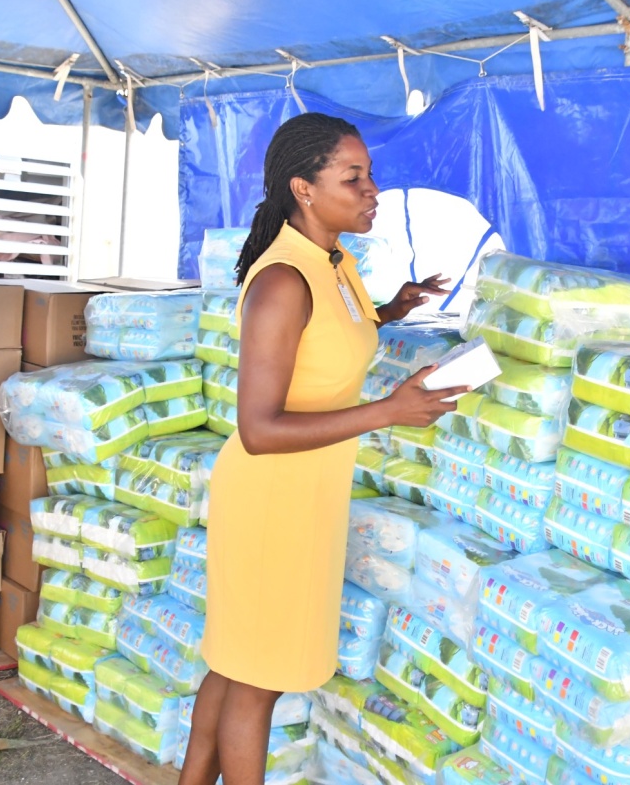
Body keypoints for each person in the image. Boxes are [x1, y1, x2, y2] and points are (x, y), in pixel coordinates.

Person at [179, 113, 468, 785]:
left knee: (235, 663)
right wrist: (389, 412)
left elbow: (345, 329)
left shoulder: (333, 261)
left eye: (371, 175)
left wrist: (396, 309)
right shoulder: (283, 281)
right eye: (354, 177)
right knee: (257, 681)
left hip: (308, 496)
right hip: (269, 499)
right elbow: (258, 428)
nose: (373, 190)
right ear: (303, 189)